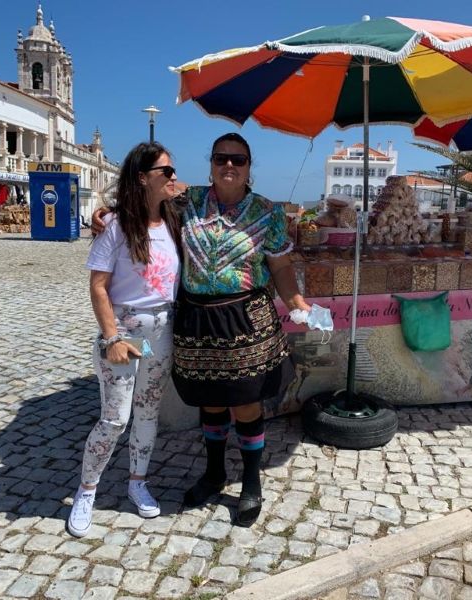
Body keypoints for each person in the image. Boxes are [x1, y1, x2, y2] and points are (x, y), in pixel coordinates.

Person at [93, 132, 310, 527]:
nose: (229, 165)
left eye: (238, 159)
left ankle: (250, 482)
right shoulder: (187, 202)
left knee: (245, 403)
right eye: (221, 158)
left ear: (249, 167)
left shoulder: (268, 213)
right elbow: (145, 203)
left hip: (245, 321)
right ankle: (214, 473)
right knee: (210, 402)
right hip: (197, 322)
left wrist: (295, 302)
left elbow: (279, 267)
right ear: (210, 164)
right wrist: (108, 213)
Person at [67, 142, 181, 538]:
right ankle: (86, 491)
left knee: (148, 413)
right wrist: (111, 336)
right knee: (115, 418)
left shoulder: (173, 221)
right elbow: (98, 287)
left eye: (172, 171)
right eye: (165, 171)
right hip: (126, 332)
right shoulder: (116, 225)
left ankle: (137, 481)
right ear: (142, 177)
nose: (173, 177)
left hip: (162, 331)